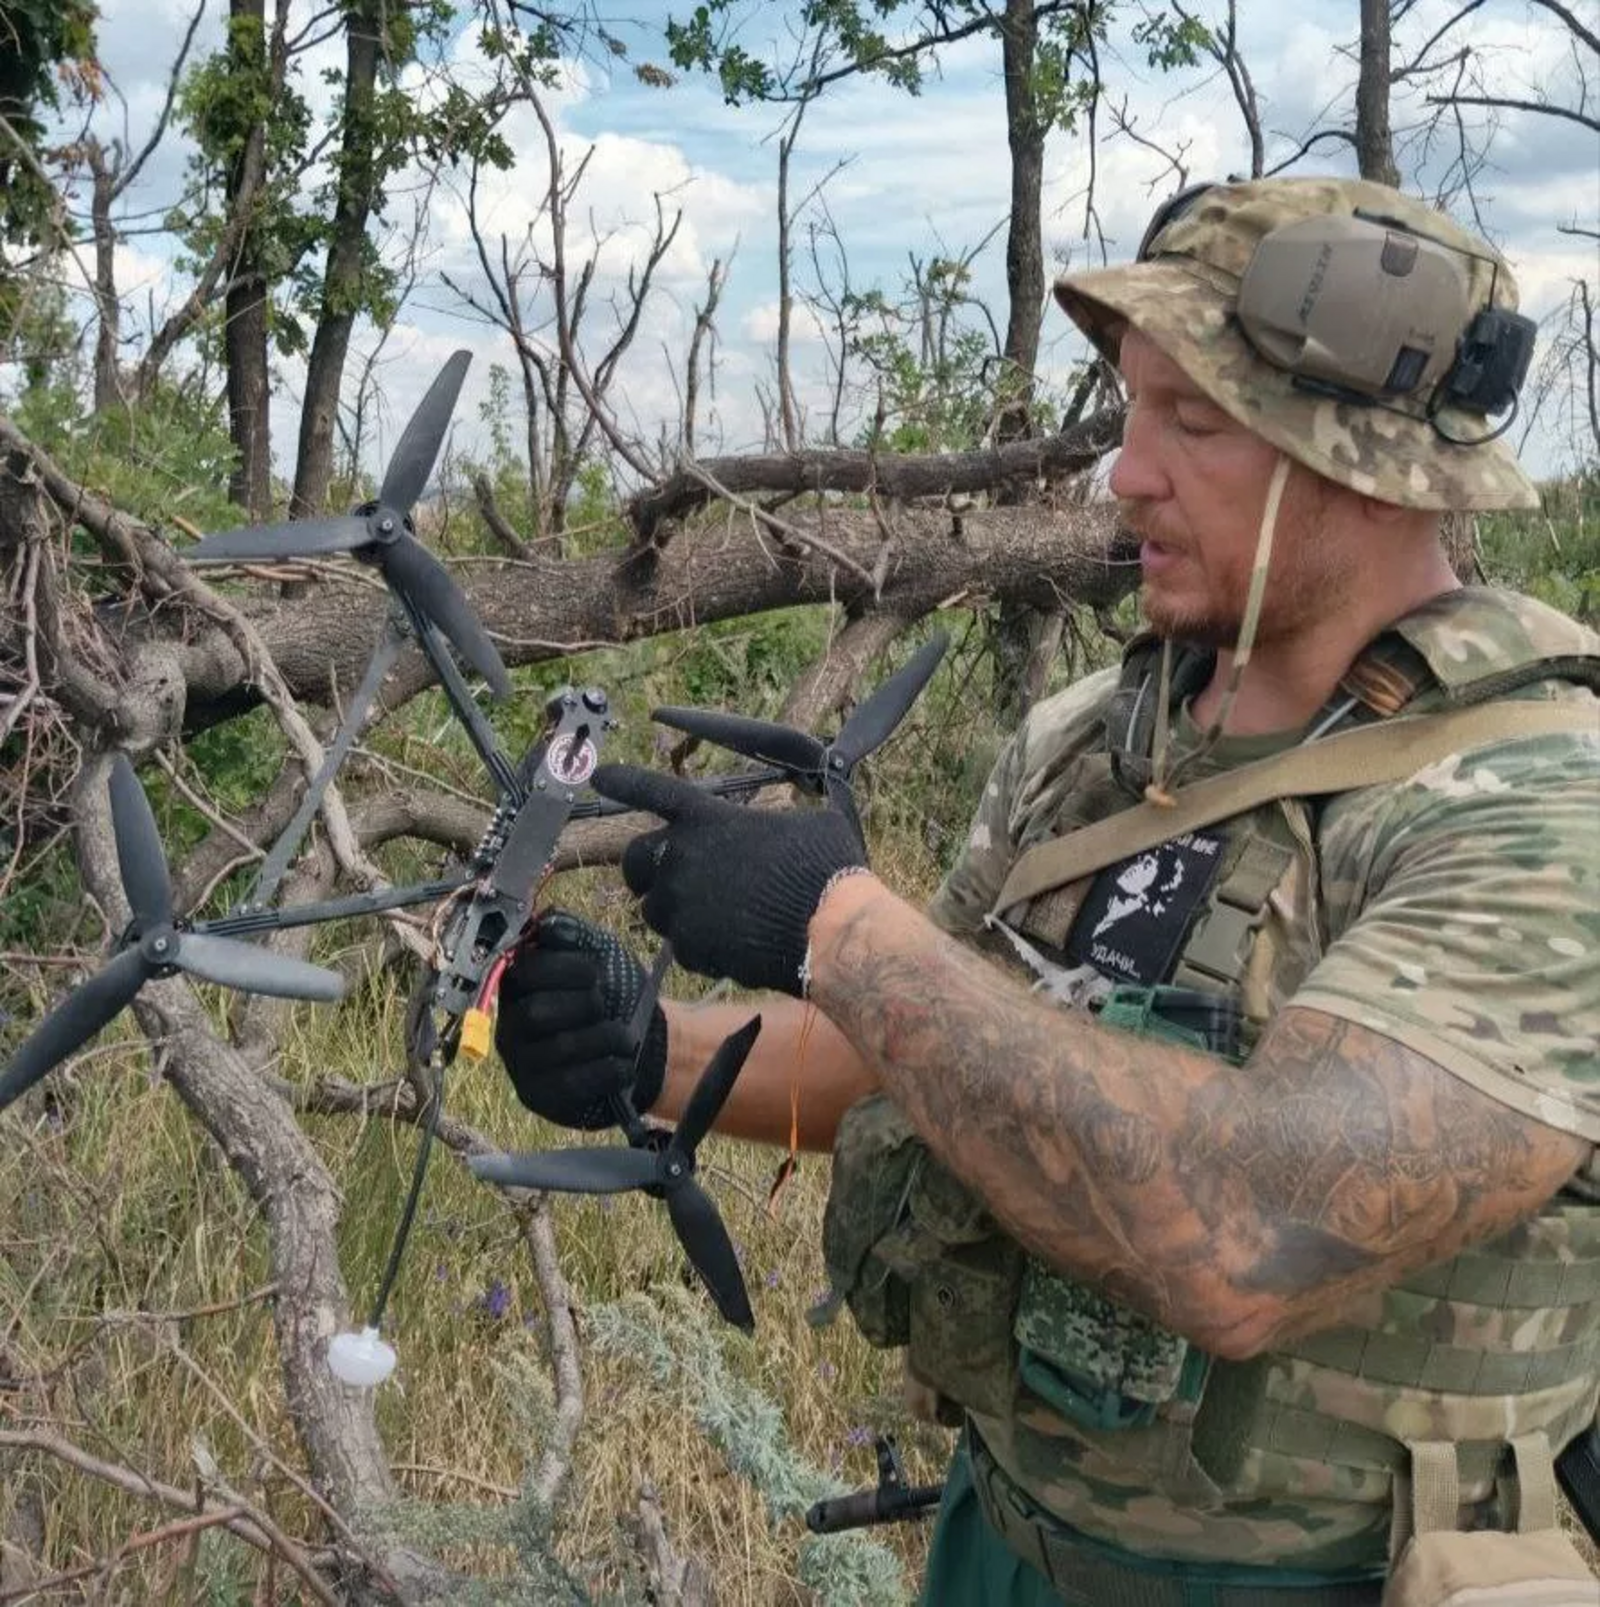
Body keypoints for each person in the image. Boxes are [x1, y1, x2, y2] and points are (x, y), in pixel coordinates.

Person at [496, 176, 1600, 1605]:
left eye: (1192, 423)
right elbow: (937, 1049)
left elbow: (1257, 1234)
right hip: (1003, 1548)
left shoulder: (1537, 804)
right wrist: (650, 1054)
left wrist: (838, 923)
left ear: (1364, 462)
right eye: (1132, 411)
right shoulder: (1095, 742)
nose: (1125, 475)